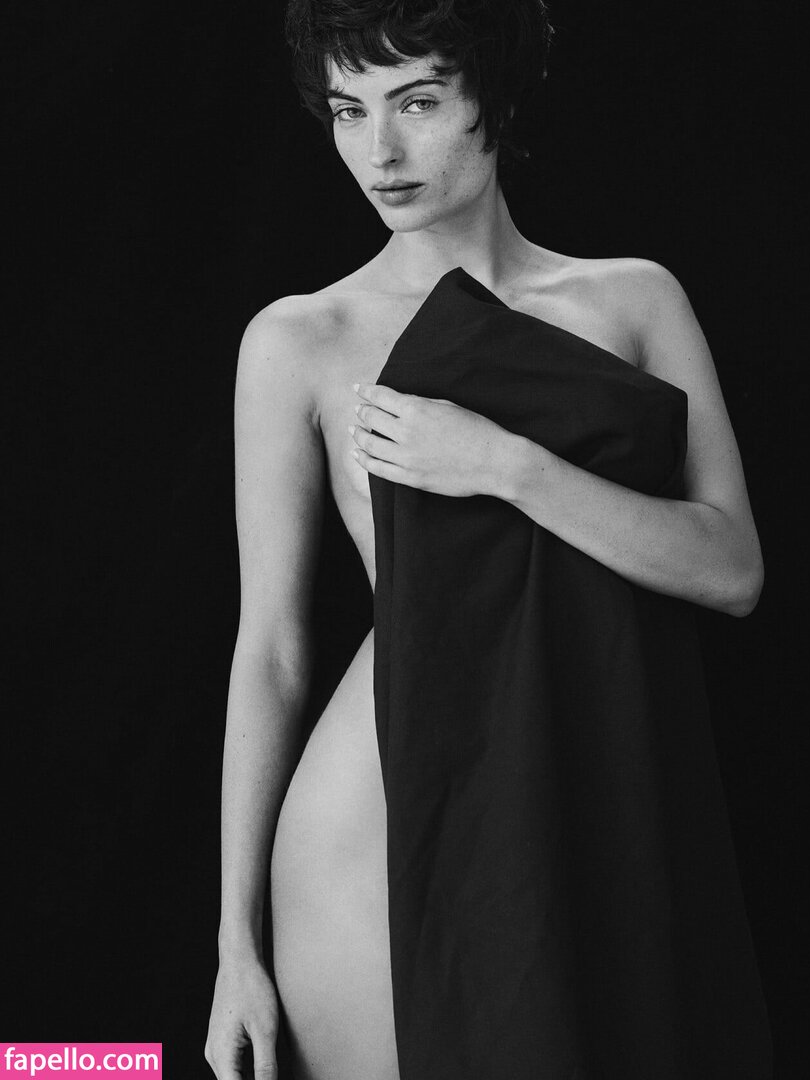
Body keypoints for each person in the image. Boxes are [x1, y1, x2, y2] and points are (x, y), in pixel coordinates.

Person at [205, 2, 772, 1078]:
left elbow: (730, 568)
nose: (380, 151)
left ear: (494, 101)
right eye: (349, 111)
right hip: (382, 813)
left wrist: (505, 466)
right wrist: (234, 943)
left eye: (417, 101)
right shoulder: (300, 339)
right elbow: (270, 650)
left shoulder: (633, 300)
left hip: (598, 783)